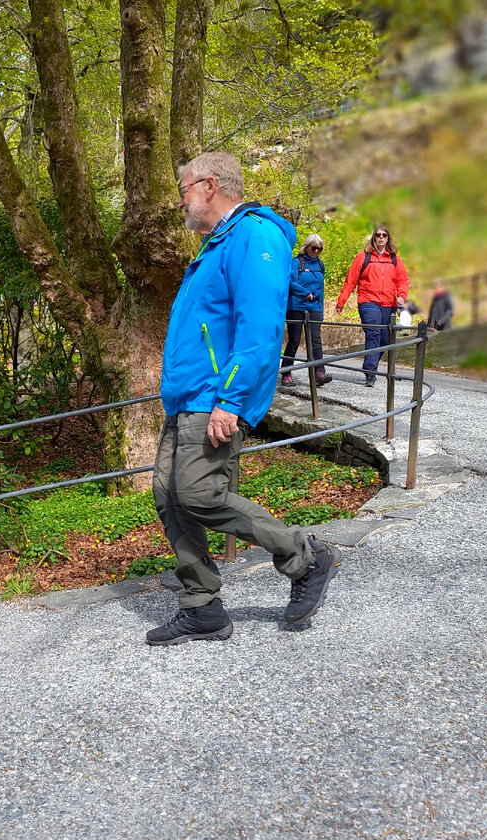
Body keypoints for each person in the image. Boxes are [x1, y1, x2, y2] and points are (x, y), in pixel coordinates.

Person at [146, 152, 344, 646]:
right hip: (188, 397)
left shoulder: (255, 236)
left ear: (209, 186)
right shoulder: (218, 244)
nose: (181, 202)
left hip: (214, 396)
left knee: (197, 493)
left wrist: (230, 400)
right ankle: (202, 607)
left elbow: (260, 331)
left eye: (184, 189)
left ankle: (306, 556)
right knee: (169, 497)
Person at [333, 226, 410, 386]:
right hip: (368, 302)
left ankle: (370, 365)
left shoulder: (394, 259)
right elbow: (350, 280)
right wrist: (341, 301)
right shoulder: (363, 257)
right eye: (378, 235)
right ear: (373, 238)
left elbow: (403, 280)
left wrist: (402, 296)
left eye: (384, 235)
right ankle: (370, 373)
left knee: (385, 340)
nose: (381, 238)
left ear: (388, 238)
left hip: (389, 304)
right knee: (373, 333)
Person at [281, 233, 333, 387]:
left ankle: (319, 372)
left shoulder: (320, 265)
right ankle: (286, 372)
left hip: (314, 307)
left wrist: (321, 311)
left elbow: (321, 289)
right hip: (296, 306)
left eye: (320, 249)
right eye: (314, 248)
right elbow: (290, 282)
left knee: (315, 340)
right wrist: (306, 293)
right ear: (307, 247)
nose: (316, 251)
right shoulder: (297, 262)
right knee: (294, 340)